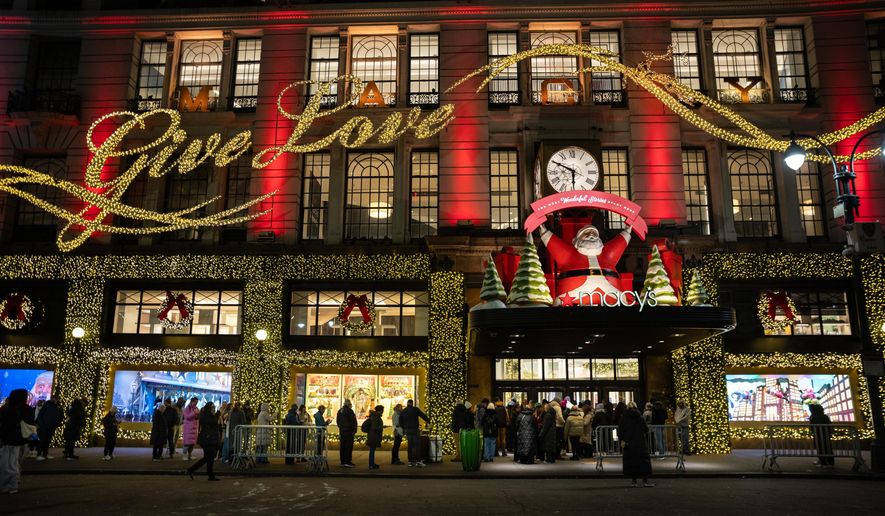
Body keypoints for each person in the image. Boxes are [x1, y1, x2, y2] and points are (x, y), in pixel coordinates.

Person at [0, 388, 36, 494]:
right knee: (16, 463)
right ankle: (14, 483)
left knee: (8, 464)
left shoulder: (9, 409)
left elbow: (5, 426)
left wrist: (2, 436)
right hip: (23, 440)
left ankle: (11, 485)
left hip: (10, 440)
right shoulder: (28, 409)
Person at [618, 401, 653, 487]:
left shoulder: (624, 418)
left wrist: (623, 439)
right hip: (640, 442)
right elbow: (646, 429)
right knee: (643, 461)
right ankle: (645, 480)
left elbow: (620, 431)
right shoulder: (640, 417)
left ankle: (634, 481)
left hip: (628, 442)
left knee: (631, 461)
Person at [186, 402, 221, 481]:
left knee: (207, 458)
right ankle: (210, 475)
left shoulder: (208, 415)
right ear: (209, 408)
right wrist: (217, 415)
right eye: (212, 407)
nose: (214, 409)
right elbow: (212, 422)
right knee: (210, 457)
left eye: (214, 408)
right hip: (208, 440)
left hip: (210, 439)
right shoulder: (205, 415)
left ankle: (191, 470)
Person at [399, 399, 430, 467]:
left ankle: (410, 461)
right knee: (417, 445)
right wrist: (429, 421)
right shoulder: (415, 409)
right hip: (415, 429)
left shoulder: (404, 411)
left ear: (407, 403)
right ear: (412, 403)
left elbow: (400, 421)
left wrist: (404, 428)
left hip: (407, 430)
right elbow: (422, 415)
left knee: (410, 446)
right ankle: (418, 461)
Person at [34, 394, 61, 461]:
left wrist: (56, 424)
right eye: (54, 398)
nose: (54, 400)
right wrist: (41, 424)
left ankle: (45, 454)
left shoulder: (57, 406)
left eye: (56, 398)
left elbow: (58, 416)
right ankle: (39, 454)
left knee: (47, 441)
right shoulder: (46, 405)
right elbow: (40, 415)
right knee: (42, 440)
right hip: (45, 426)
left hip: (52, 427)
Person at [808, 403, 834, 468]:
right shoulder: (825, 416)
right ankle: (830, 462)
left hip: (818, 436)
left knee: (820, 448)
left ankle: (823, 463)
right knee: (828, 448)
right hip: (826, 435)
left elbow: (811, 427)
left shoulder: (813, 417)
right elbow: (830, 425)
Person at [336, 399, 357, 468]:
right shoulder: (349, 411)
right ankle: (347, 461)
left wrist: (341, 427)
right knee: (348, 446)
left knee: (343, 446)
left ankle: (343, 461)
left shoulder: (340, 411)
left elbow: (338, 421)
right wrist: (354, 430)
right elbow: (353, 421)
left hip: (342, 431)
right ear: (349, 404)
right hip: (348, 431)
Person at [366, 405, 384, 470]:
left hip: (373, 435)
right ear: (380, 411)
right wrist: (381, 427)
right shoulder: (375, 417)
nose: (383, 412)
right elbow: (374, 427)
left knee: (372, 450)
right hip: (373, 436)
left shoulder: (374, 416)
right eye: (382, 410)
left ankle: (372, 463)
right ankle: (371, 464)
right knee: (372, 450)